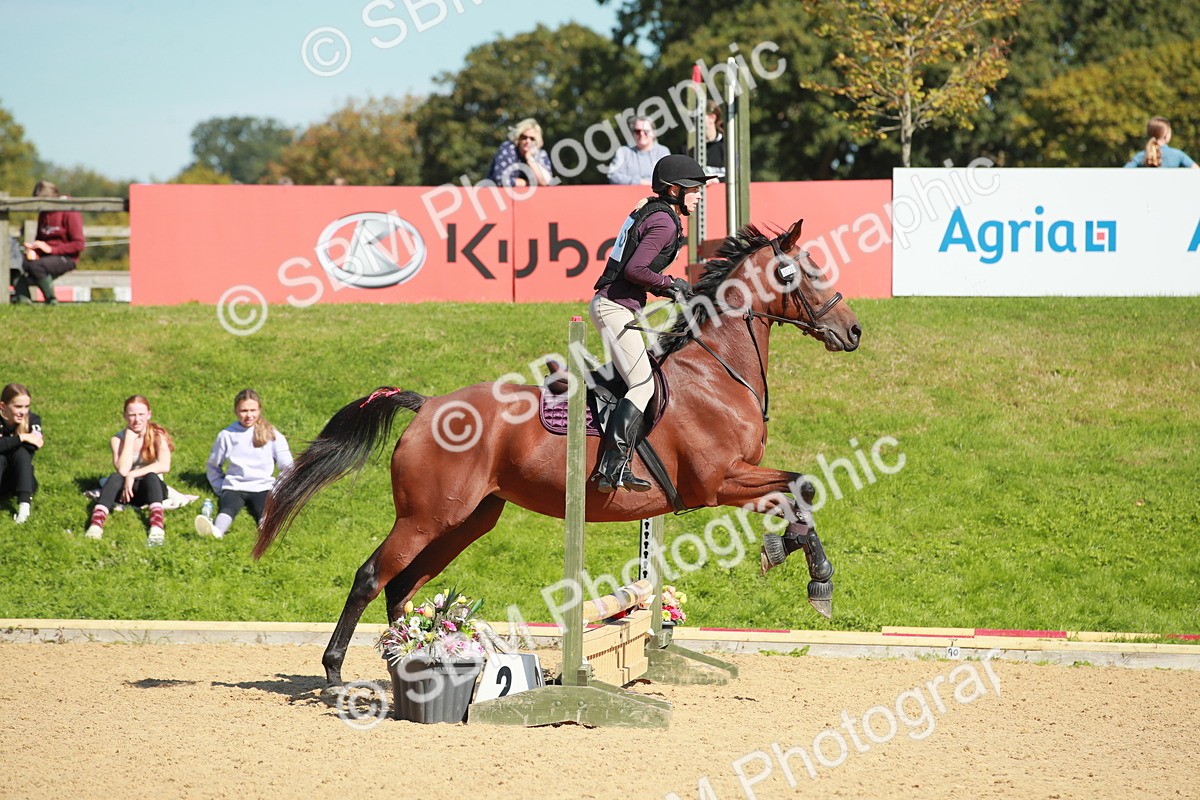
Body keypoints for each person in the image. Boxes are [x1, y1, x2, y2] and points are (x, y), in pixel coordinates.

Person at [589, 154, 717, 493]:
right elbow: (635, 270)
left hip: (617, 307)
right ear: (674, 190)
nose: (699, 196)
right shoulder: (664, 222)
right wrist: (670, 284)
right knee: (643, 385)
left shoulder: (655, 211)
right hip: (614, 308)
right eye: (694, 189)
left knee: (639, 378)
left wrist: (667, 288)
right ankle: (612, 467)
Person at [196, 388, 293, 539]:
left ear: (259, 410)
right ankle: (217, 531)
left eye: (253, 410)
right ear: (236, 411)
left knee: (264, 511)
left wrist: (277, 488)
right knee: (227, 508)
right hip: (235, 486)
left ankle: (267, 533)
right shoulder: (227, 435)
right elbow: (213, 465)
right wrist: (220, 487)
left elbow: (288, 466)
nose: (249, 415)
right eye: (244, 410)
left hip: (262, 486)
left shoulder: (272, 434)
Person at [85, 395, 174, 546]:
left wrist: (133, 474)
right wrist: (129, 440)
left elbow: (164, 466)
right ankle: (96, 525)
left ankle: (157, 528)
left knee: (151, 476)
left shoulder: (157, 436)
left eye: (141, 414)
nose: (137, 420)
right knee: (115, 477)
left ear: (149, 415)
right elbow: (122, 470)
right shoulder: (117, 439)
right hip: (126, 493)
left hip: (151, 490)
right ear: (125, 416)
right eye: (132, 415)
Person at [13, 181, 86, 305]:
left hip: (66, 258)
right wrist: (34, 249)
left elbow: (79, 244)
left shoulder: (69, 210)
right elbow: (40, 239)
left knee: (36, 266)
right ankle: (23, 298)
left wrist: (52, 250)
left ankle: (51, 299)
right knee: (15, 261)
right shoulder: (43, 213)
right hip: (44, 257)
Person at [0, 384, 42, 524]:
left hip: (21, 479)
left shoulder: (33, 420)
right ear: (3, 406)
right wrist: (21, 438)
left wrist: (6, 442)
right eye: (18, 407)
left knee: (21, 452)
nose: (23, 412)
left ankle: (24, 507)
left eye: (26, 406)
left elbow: (35, 444)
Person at [487, 118, 555, 188]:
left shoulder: (540, 154)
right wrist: (528, 183)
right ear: (518, 137)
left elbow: (547, 182)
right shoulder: (509, 149)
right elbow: (499, 179)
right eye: (524, 137)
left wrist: (529, 158)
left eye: (532, 138)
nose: (528, 141)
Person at [607, 116, 670, 185]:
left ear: (653, 133)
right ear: (632, 134)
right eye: (637, 131)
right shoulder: (623, 152)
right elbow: (612, 176)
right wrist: (638, 182)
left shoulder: (663, 152)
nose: (641, 134)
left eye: (646, 131)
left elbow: (668, 178)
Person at [1124, 116, 1198, 168]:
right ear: (1166, 135)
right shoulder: (1178, 155)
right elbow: (1196, 172)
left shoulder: (1141, 156)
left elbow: (1123, 173)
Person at [699, 100, 726, 180]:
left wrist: (717, 181)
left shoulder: (727, 147)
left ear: (713, 118)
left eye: (701, 115)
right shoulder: (688, 147)